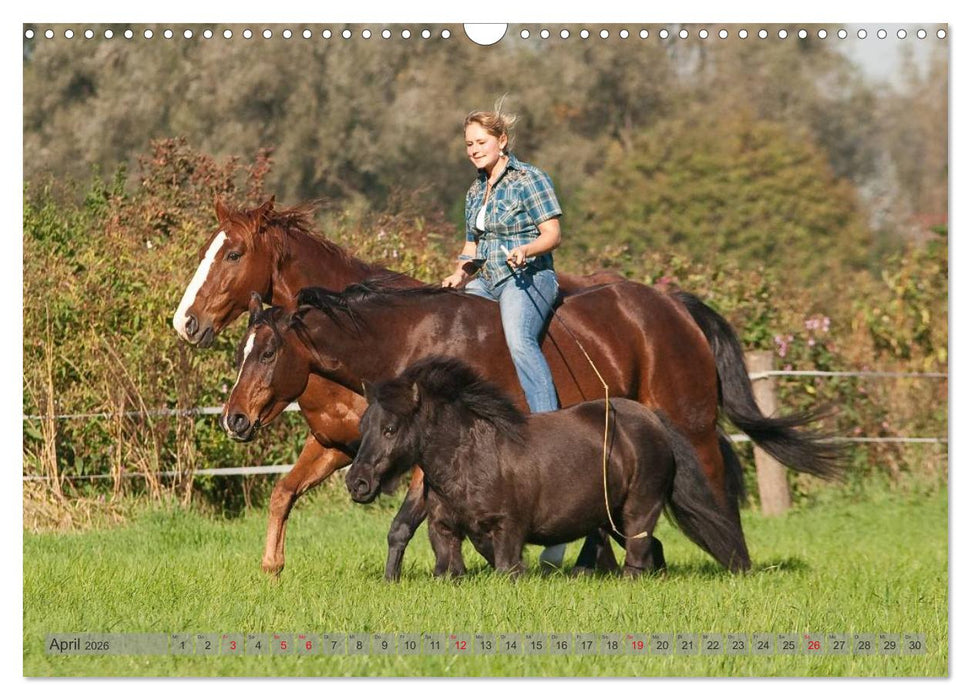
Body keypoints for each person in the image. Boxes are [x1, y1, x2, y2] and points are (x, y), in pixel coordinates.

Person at [442, 105, 566, 569]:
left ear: (502, 141)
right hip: (486, 280)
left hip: (529, 277)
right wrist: (458, 275)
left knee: (517, 338)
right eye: (469, 144)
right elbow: (472, 248)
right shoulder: (476, 192)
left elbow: (552, 233)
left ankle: (546, 426)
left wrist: (526, 250)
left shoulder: (529, 178)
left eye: (481, 142)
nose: (474, 150)